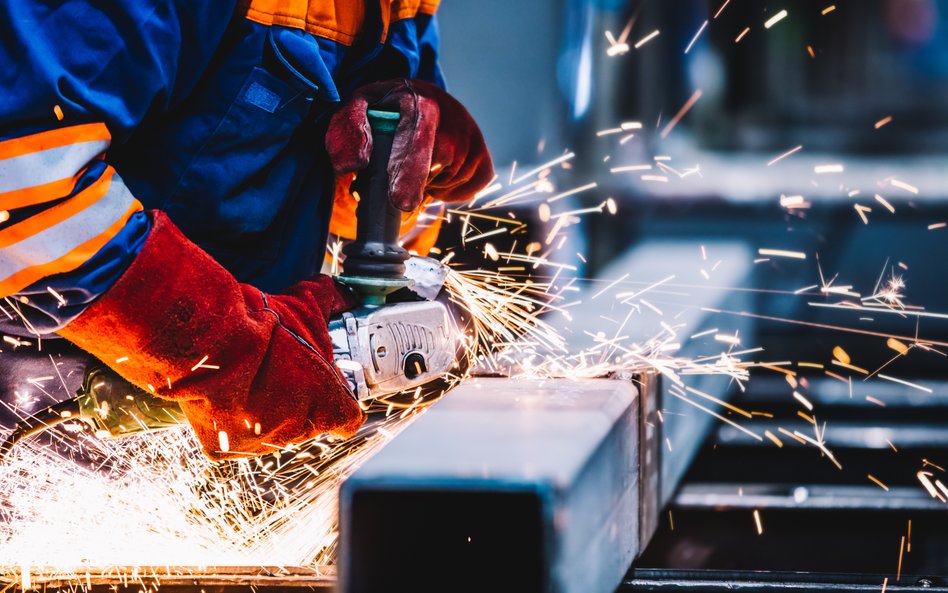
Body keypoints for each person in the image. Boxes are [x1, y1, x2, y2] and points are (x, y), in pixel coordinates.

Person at [0, 0, 493, 460]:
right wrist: (225, 346)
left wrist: (397, 176)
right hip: (33, 398)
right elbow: (16, 177)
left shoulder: (399, 5)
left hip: (169, 430)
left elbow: (303, 208)